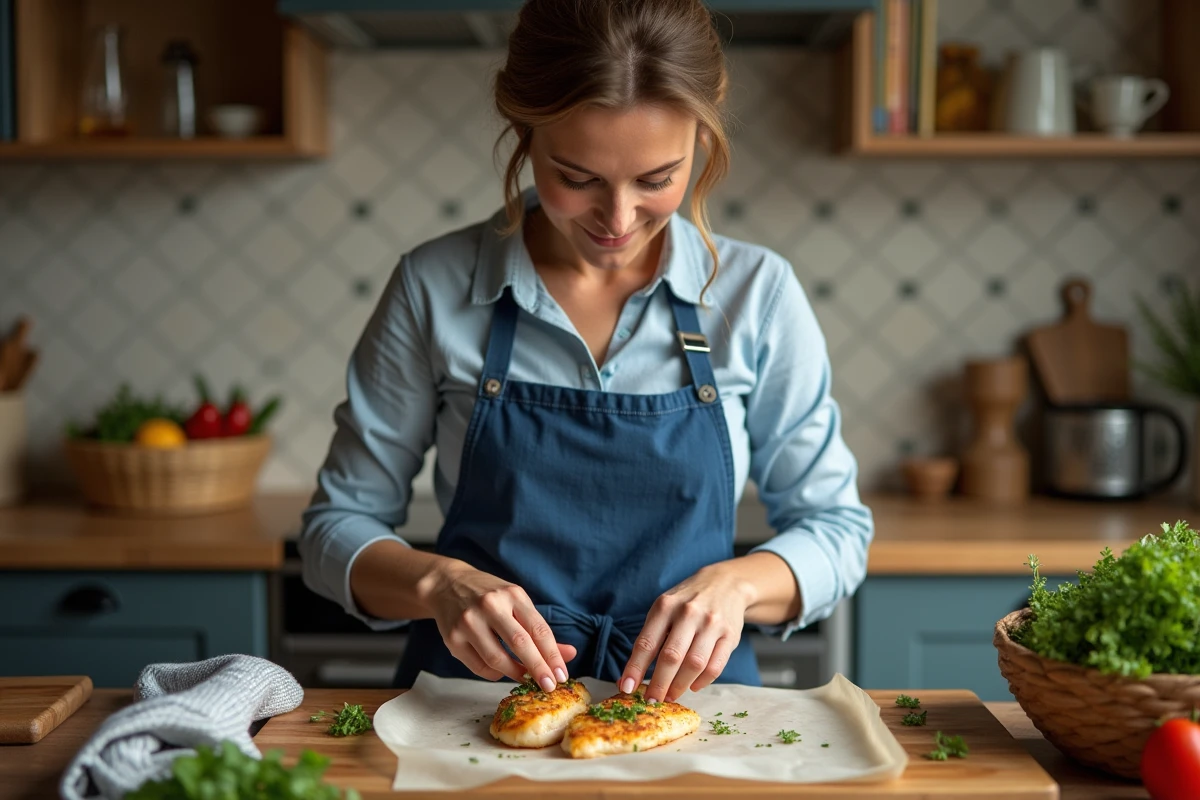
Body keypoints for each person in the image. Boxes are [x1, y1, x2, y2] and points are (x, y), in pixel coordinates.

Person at [299, 0, 873, 705]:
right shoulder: (434, 285)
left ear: (703, 132)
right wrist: (438, 583)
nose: (618, 220)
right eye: (577, 178)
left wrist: (738, 585)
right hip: (472, 710)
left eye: (657, 179)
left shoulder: (757, 293)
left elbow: (836, 530)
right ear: (524, 131)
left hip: (696, 712)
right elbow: (334, 529)